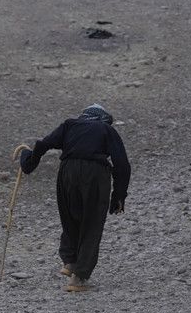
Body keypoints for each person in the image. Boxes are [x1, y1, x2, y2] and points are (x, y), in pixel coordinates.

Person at [18, 104, 131, 292]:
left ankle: (69, 262)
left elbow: (44, 143)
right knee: (92, 224)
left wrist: (29, 161)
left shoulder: (70, 125)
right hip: (95, 173)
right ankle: (78, 278)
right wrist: (119, 196)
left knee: (70, 217)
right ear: (103, 118)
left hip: (67, 172)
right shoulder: (106, 130)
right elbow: (122, 164)